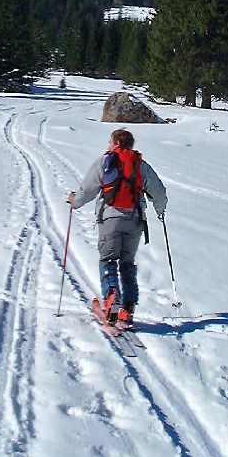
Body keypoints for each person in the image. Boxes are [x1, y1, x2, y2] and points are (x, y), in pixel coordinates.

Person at [67, 127, 167, 326]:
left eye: (110, 142)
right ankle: (128, 309)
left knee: (108, 260)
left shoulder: (105, 162)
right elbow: (159, 191)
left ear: (117, 143)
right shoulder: (140, 165)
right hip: (135, 220)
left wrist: (74, 201)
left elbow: (87, 190)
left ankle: (112, 300)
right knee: (127, 263)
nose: (109, 145)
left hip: (110, 218)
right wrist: (160, 211)